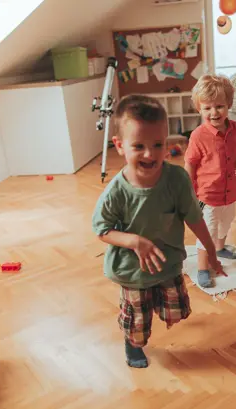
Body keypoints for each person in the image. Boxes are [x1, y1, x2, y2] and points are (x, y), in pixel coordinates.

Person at [92, 94, 226, 369]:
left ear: (167, 143)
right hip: (132, 269)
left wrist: (211, 252)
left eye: (157, 144)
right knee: (138, 321)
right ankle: (133, 344)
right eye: (138, 146)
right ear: (119, 146)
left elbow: (195, 218)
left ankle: (152, 307)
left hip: (167, 262)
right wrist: (133, 241)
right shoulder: (116, 192)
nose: (150, 154)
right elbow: (102, 230)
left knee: (175, 312)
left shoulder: (176, 180)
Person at [184, 74, 236, 289]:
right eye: (207, 108)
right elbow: (190, 163)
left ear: (229, 105)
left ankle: (220, 248)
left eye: (219, 106)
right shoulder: (198, 136)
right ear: (199, 109)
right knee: (207, 232)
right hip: (207, 196)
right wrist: (188, 191)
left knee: (226, 223)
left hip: (230, 192)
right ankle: (203, 267)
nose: (214, 113)